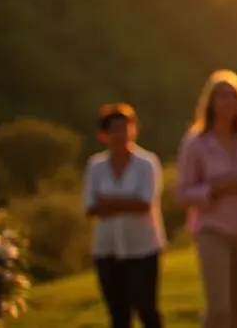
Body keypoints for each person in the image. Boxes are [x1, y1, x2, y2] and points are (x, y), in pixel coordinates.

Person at [176, 69, 237, 328]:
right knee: (219, 308)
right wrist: (216, 187)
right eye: (222, 97)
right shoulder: (195, 142)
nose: (228, 102)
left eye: (233, 96)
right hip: (213, 230)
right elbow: (182, 192)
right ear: (210, 103)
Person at [83, 103, 166, 328]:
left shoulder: (146, 163)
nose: (121, 134)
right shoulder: (96, 166)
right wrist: (126, 202)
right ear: (104, 134)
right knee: (118, 314)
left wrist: (109, 202)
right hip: (107, 249)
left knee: (147, 309)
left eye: (125, 128)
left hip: (143, 248)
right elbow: (91, 207)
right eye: (115, 129)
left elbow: (144, 203)